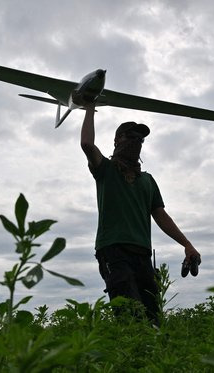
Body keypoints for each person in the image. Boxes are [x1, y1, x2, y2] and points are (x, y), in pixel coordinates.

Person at [80, 103, 201, 323]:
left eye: (140, 139)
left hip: (142, 255)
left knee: (153, 317)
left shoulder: (147, 180)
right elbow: (87, 144)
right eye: (130, 136)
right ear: (117, 141)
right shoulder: (105, 170)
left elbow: (161, 216)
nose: (136, 141)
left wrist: (187, 245)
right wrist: (90, 105)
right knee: (130, 316)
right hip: (114, 252)